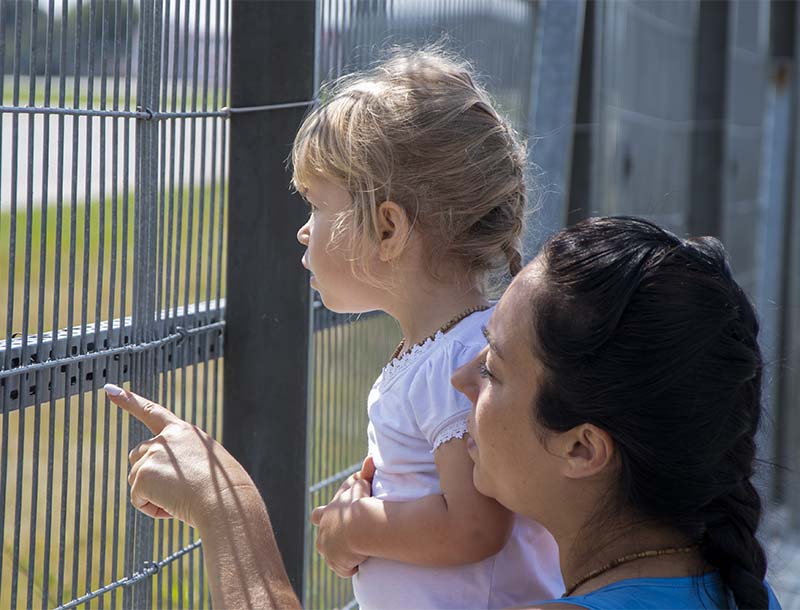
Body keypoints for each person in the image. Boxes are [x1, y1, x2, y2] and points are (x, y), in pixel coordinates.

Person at [105, 216, 783, 609]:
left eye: (491, 369)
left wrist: (229, 511)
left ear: (582, 448)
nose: (460, 378)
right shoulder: (734, 591)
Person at [290, 48, 562, 609]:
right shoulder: (447, 349)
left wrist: (357, 528)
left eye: (316, 206)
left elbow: (474, 527)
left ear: (388, 227)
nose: (302, 231)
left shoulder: (461, 363)